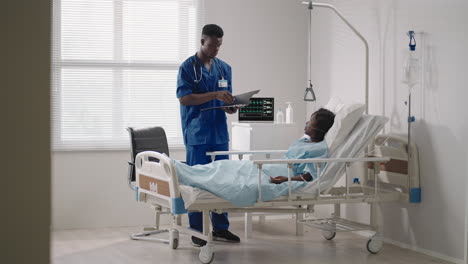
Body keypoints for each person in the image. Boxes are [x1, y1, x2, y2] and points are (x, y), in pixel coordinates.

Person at [174, 108, 336, 207]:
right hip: (265, 167)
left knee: (228, 177)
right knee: (222, 166)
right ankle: (181, 169)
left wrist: (285, 180)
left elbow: (309, 175)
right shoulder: (304, 141)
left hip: (273, 174)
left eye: (311, 121)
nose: (307, 122)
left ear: (319, 128)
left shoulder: (319, 149)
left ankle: (180, 171)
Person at [176, 24, 239, 247]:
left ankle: (221, 228)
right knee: (197, 182)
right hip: (197, 133)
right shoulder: (187, 67)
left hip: (219, 132)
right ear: (202, 41)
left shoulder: (224, 69)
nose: (216, 49)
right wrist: (214, 94)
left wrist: (231, 106)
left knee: (223, 181)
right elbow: (185, 98)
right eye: (212, 45)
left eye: (219, 45)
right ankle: (198, 229)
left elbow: (225, 99)